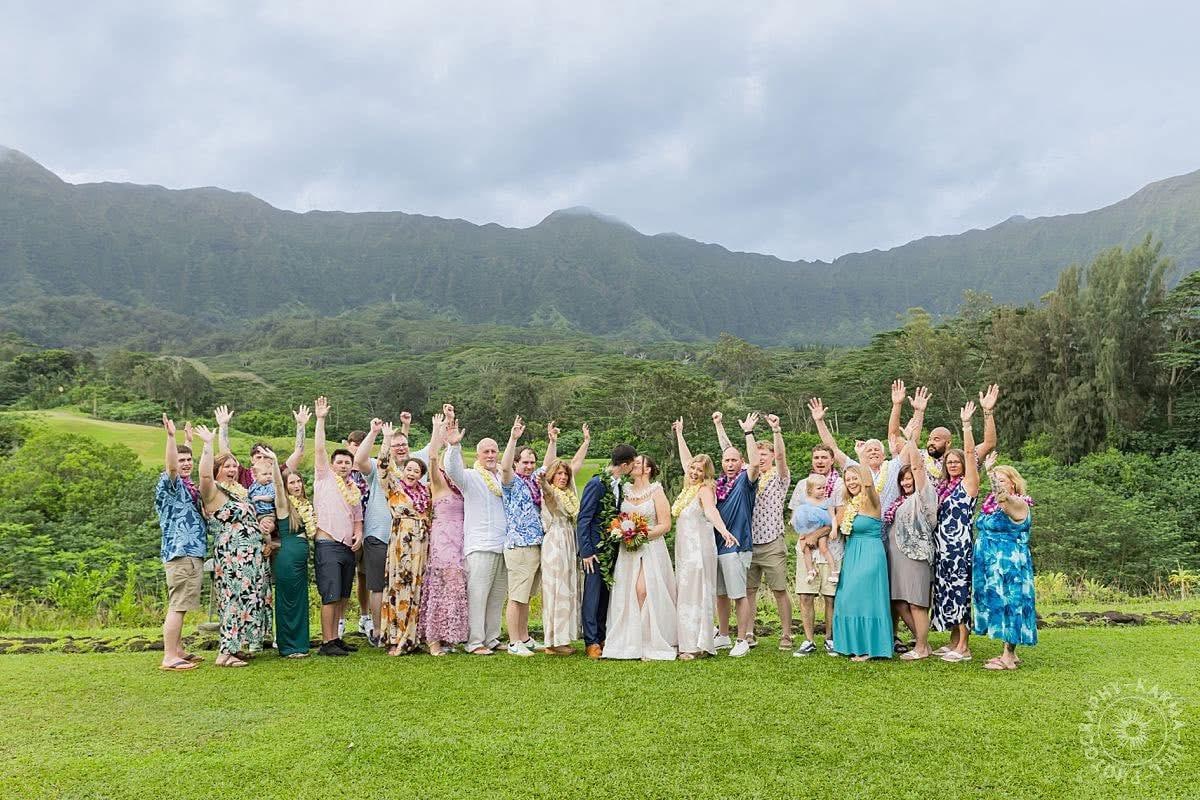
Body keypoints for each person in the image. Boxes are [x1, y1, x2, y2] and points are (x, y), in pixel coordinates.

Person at [678, 413, 760, 658]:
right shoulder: (715, 484)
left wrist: (748, 433)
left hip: (736, 544)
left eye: (734, 460)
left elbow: (755, 463)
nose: (730, 463)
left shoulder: (746, 480)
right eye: (726, 460)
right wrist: (680, 435)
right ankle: (723, 635)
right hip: (716, 546)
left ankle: (742, 638)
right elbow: (689, 466)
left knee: (738, 594)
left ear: (740, 461)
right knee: (721, 594)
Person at [192, 424, 272, 667]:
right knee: (233, 600)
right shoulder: (213, 491)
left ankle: (237, 647)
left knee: (249, 598)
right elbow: (204, 476)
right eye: (226, 465)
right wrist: (208, 444)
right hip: (232, 555)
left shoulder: (240, 492)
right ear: (217, 469)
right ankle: (225, 652)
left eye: (235, 465)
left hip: (251, 555)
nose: (232, 468)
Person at [354, 416, 433, 646]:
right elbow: (359, 459)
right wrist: (378, 435)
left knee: (406, 584)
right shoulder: (381, 471)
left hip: (408, 541)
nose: (400, 448)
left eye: (404, 445)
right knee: (378, 585)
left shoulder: (414, 474)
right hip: (379, 534)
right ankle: (379, 631)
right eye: (396, 445)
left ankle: (404, 630)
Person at [718, 412, 792, 651]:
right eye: (757, 455)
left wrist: (776, 431)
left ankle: (787, 634)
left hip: (771, 540)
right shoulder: (746, 477)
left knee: (779, 589)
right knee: (748, 590)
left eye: (764, 455)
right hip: (748, 542)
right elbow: (730, 451)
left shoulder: (779, 478)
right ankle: (748, 633)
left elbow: (781, 457)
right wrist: (719, 425)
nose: (760, 459)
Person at [669, 430, 738, 660]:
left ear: (706, 474)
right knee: (685, 592)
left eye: (700, 470)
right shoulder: (687, 491)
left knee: (696, 593)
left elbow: (711, 511)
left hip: (699, 550)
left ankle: (697, 645)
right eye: (693, 468)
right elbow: (685, 459)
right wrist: (680, 434)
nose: (695, 472)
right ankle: (686, 641)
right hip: (684, 551)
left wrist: (724, 531)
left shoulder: (705, 490)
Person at [603, 454, 676, 660]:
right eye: (633, 462)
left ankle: (648, 641)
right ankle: (629, 641)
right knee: (626, 593)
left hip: (650, 547)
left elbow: (665, 525)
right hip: (628, 551)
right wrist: (622, 532)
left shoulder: (657, 491)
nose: (634, 464)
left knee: (643, 590)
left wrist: (640, 535)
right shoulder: (624, 490)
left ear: (648, 469)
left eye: (639, 462)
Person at [883, 391, 939, 661]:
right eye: (903, 480)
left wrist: (913, 436)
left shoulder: (923, 495)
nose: (906, 482)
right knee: (899, 601)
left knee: (917, 602)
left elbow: (915, 466)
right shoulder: (899, 499)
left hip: (916, 556)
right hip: (897, 557)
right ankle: (922, 643)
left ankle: (921, 647)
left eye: (910, 479)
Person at [444, 428, 509, 655]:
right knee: (478, 594)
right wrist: (453, 447)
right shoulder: (470, 477)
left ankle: (492, 638)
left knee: (497, 595)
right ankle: (475, 641)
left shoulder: (502, 477)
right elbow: (452, 470)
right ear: (478, 456)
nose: (490, 455)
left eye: (494, 451)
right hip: (480, 544)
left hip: (504, 545)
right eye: (486, 452)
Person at [932, 399, 986, 663]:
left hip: (959, 546)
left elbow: (969, 454)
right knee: (945, 590)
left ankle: (964, 646)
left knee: (960, 590)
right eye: (949, 462)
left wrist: (966, 426)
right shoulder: (944, 487)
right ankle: (953, 639)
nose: (953, 464)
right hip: (942, 547)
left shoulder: (969, 485)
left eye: (957, 461)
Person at [310, 396, 364, 656]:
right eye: (340, 462)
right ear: (332, 465)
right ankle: (326, 642)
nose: (343, 466)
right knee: (330, 594)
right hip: (327, 543)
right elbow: (319, 450)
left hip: (346, 546)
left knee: (343, 594)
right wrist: (320, 420)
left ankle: (337, 637)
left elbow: (357, 517)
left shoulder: (353, 488)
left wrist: (359, 534)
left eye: (347, 463)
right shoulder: (324, 478)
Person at [974, 452, 1037, 671]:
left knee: (1011, 604)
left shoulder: (1017, 503)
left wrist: (990, 472)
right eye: (996, 479)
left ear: (1013, 484)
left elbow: (1001, 496)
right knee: (1001, 605)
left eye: (1002, 480)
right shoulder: (994, 506)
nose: (997, 484)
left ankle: (1008, 658)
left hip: (1009, 564)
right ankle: (1009, 652)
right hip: (993, 563)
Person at [155, 415, 207, 671]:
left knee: (182, 605)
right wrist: (172, 438)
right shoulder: (171, 483)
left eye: (189, 459)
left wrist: (187, 442)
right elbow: (173, 468)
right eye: (181, 459)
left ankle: (178, 650)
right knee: (177, 605)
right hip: (181, 551)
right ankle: (169, 657)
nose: (185, 463)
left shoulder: (188, 486)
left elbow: (182, 467)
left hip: (192, 551)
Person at [576, 442, 638, 659]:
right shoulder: (596, 484)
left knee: (605, 595)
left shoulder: (619, 485)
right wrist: (586, 551)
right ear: (625, 464)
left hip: (612, 550)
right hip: (593, 551)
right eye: (632, 465)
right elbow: (584, 518)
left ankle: (602, 637)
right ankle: (591, 641)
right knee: (592, 596)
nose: (633, 469)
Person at [537, 422, 591, 655]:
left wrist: (586, 442)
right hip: (555, 541)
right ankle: (553, 641)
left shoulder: (569, 492)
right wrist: (552, 442)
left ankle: (563, 638)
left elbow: (576, 464)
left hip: (569, 539)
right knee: (556, 588)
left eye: (564, 474)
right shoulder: (549, 492)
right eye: (558, 473)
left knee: (569, 588)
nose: (562, 476)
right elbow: (548, 489)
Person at [419, 414, 469, 656]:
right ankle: (433, 640)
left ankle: (449, 636)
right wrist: (437, 429)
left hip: (461, 538)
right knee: (440, 584)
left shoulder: (461, 489)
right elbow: (431, 456)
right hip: (442, 539)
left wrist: (454, 443)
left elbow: (455, 462)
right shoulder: (438, 485)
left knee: (456, 586)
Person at [831, 465, 892, 661]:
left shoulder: (872, 501)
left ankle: (869, 648)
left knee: (866, 600)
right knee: (846, 598)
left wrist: (862, 460)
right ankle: (851, 645)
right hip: (852, 555)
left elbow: (869, 484)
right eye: (848, 479)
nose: (851, 482)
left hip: (870, 554)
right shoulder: (850, 505)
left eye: (854, 478)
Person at [499, 415, 547, 656]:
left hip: (536, 542)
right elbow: (505, 467)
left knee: (527, 594)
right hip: (518, 543)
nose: (528, 466)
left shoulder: (534, 482)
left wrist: (552, 441)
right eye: (525, 462)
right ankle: (513, 641)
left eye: (531, 462)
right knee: (517, 595)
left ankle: (525, 637)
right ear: (517, 463)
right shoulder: (511, 481)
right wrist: (513, 438)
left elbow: (548, 465)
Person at [377, 452, 432, 656]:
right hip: (401, 541)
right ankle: (395, 637)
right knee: (399, 584)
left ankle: (413, 636)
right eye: (409, 469)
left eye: (416, 471)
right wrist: (386, 441)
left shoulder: (426, 492)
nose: (411, 473)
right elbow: (382, 467)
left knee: (418, 587)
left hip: (421, 542)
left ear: (421, 475)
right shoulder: (395, 488)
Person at [275, 467, 313, 658]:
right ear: (285, 486)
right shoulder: (283, 505)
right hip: (287, 559)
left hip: (300, 561)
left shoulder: (304, 504)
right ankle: (288, 646)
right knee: (288, 602)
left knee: (299, 602)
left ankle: (300, 644)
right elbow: (276, 484)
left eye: (299, 481)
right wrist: (274, 462)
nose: (297, 485)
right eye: (292, 482)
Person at [793, 474, 836, 586]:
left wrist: (834, 529)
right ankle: (810, 571)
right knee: (805, 548)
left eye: (823, 488)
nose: (822, 491)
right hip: (808, 529)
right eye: (819, 488)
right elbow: (800, 515)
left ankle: (833, 571)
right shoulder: (806, 501)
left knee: (823, 548)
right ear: (810, 490)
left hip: (822, 528)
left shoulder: (826, 502)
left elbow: (832, 517)